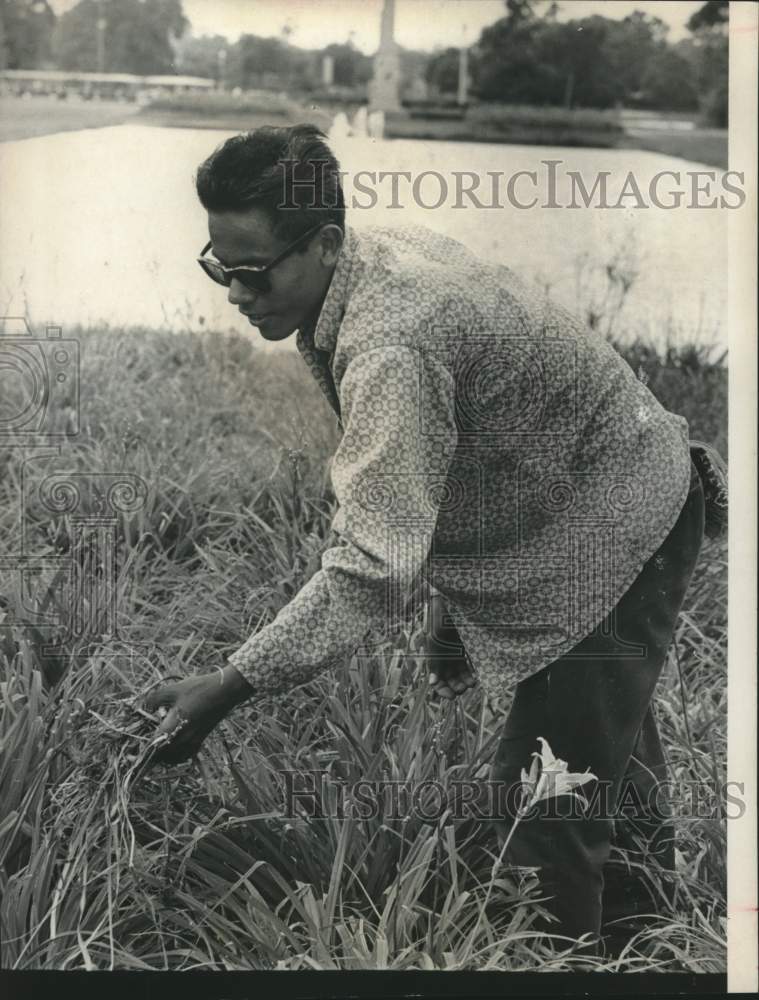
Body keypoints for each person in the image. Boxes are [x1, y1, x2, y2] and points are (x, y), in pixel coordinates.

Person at [146, 124, 707, 954]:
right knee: (603, 767)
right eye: (218, 265)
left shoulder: (391, 343)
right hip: (603, 492)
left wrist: (224, 689)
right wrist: (459, 608)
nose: (233, 292)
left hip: (618, 530)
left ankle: (556, 961)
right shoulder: (375, 259)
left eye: (251, 271)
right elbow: (469, 449)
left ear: (326, 243)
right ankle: (655, 945)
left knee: (543, 810)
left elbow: (373, 565)